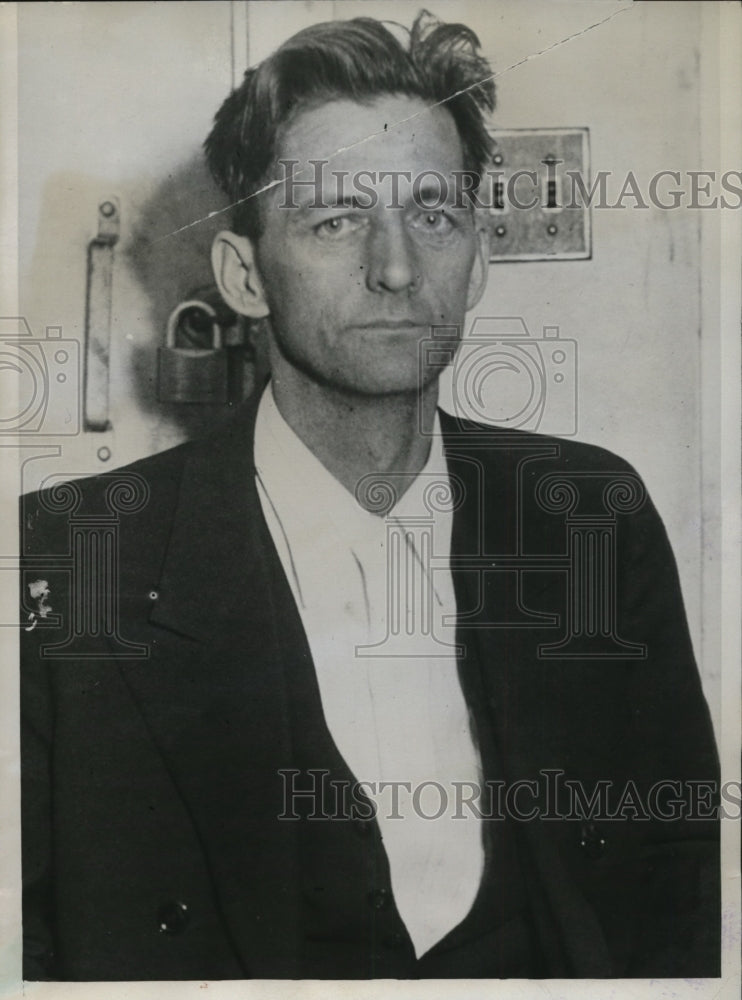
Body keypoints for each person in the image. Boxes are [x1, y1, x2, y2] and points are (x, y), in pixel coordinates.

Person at [20, 10, 719, 981]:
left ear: (476, 258)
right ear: (244, 275)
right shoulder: (73, 560)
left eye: (431, 214)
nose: (395, 268)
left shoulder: (589, 516)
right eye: (336, 217)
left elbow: (679, 899)